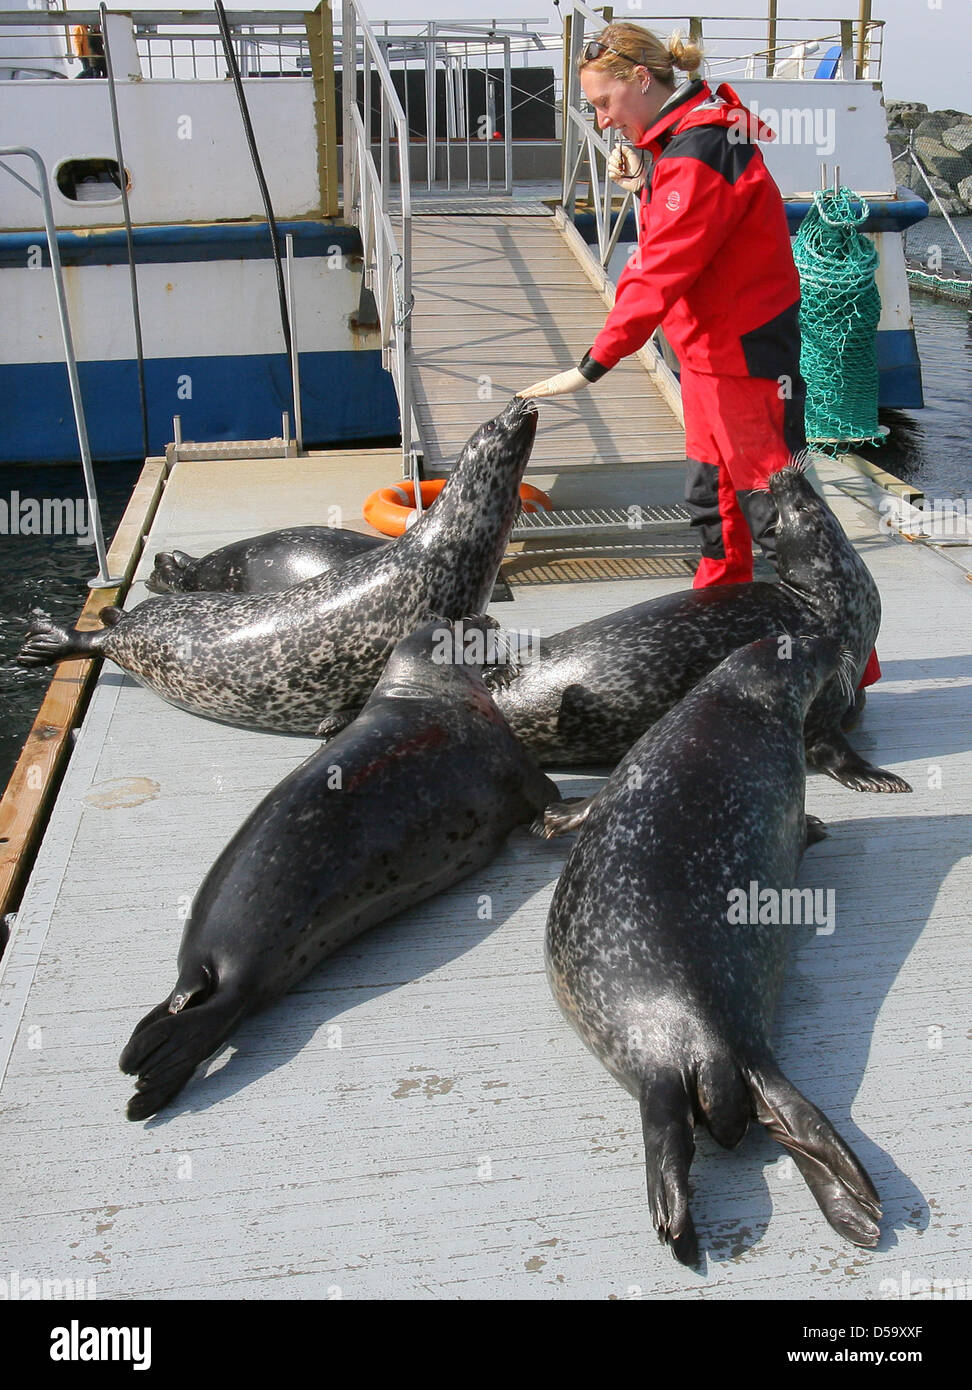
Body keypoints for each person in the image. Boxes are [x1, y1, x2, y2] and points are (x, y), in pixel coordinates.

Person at [518, 20, 879, 695]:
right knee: (713, 504)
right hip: (711, 357)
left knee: (782, 513)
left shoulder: (697, 152)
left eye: (604, 105)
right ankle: (726, 637)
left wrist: (596, 361)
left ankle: (847, 669)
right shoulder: (684, 143)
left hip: (743, 360)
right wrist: (645, 170)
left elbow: (664, 268)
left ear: (642, 81)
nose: (601, 123)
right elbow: (685, 231)